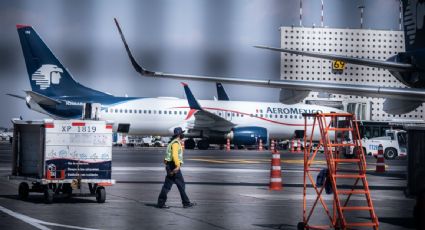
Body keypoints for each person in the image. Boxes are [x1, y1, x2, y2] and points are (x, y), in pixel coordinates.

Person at [157, 127, 196, 209]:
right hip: (174, 166)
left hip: (170, 166)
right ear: (179, 134)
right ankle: (186, 203)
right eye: (182, 133)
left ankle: (161, 202)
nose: (183, 134)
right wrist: (177, 166)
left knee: (167, 186)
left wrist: (167, 165)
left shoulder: (172, 142)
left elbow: (167, 156)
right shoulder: (175, 143)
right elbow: (175, 155)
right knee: (181, 185)